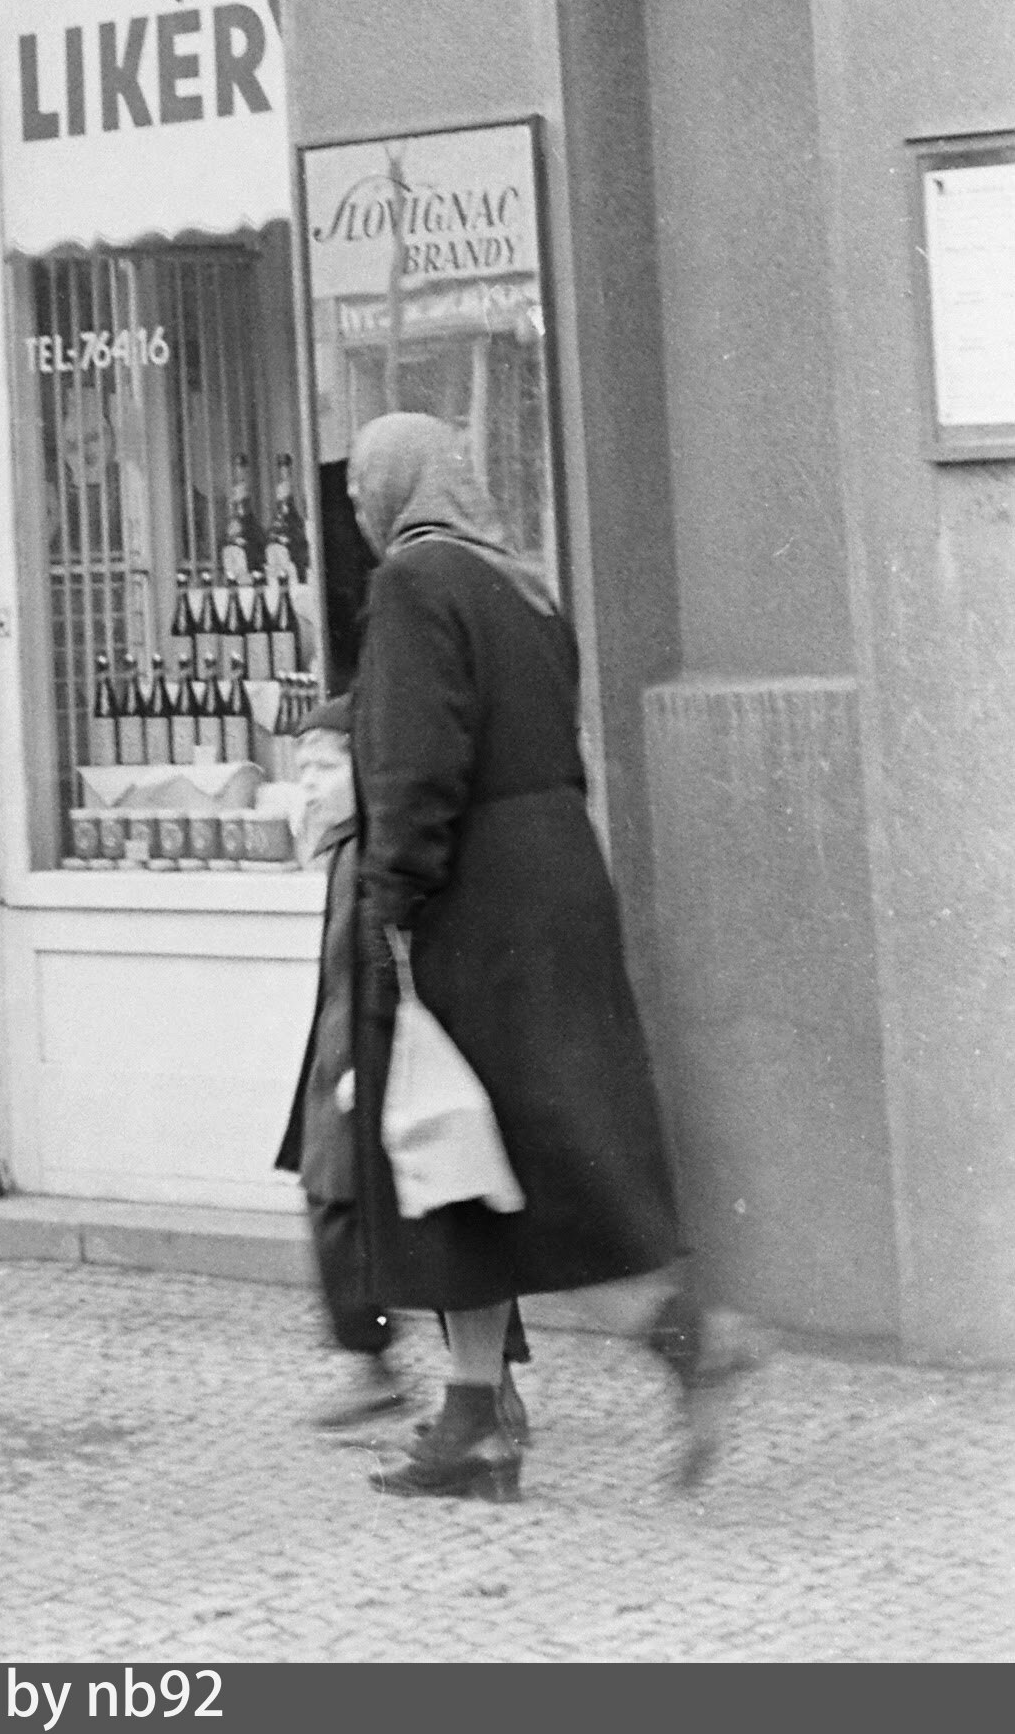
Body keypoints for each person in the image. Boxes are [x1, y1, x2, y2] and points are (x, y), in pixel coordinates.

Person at [341, 411, 757, 1502]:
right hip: (556, 879)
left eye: (360, 490)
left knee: (481, 1156)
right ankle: (474, 1419)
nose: (358, 511)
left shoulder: (412, 584)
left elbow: (416, 763)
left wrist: (391, 902)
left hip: (472, 904)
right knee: (501, 1160)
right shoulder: (521, 585)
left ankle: (688, 1342)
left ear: (394, 487)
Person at [275, 467, 528, 1440]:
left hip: (376, 1049)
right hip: (363, 1053)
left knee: (424, 1201)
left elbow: (368, 961)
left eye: (325, 768)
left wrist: (351, 1068)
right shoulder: (351, 850)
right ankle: (449, 1379)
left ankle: (431, 1380)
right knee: (428, 1201)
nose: (308, 788)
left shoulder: (374, 857)